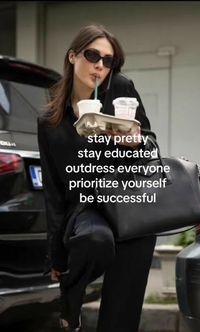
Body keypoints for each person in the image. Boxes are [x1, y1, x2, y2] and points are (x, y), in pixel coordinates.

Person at [37, 24, 157, 332]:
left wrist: (134, 140)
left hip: (129, 201)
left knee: (122, 311)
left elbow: (151, 144)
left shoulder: (121, 89)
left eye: (109, 60)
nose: (100, 65)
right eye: (93, 56)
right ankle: (70, 298)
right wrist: (57, 257)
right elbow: (52, 188)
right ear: (73, 56)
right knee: (96, 240)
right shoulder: (50, 120)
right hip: (86, 206)